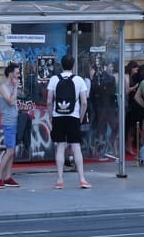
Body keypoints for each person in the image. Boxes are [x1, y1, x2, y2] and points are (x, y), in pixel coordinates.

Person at [46, 54, 91, 189]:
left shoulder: (54, 79)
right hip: (74, 116)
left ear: (61, 65)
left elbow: (49, 101)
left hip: (58, 116)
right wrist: (80, 118)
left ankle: (60, 180)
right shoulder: (79, 80)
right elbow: (84, 102)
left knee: (60, 146)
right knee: (76, 146)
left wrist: (51, 116)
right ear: (73, 65)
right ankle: (82, 179)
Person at [0, 62, 21, 189]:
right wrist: (16, 87)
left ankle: (7, 177)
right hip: (8, 122)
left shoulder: (11, 86)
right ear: (10, 74)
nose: (19, 75)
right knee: (9, 151)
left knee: (12, 151)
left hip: (14, 121)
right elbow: (10, 101)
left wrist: (15, 88)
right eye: (17, 73)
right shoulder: (4, 87)